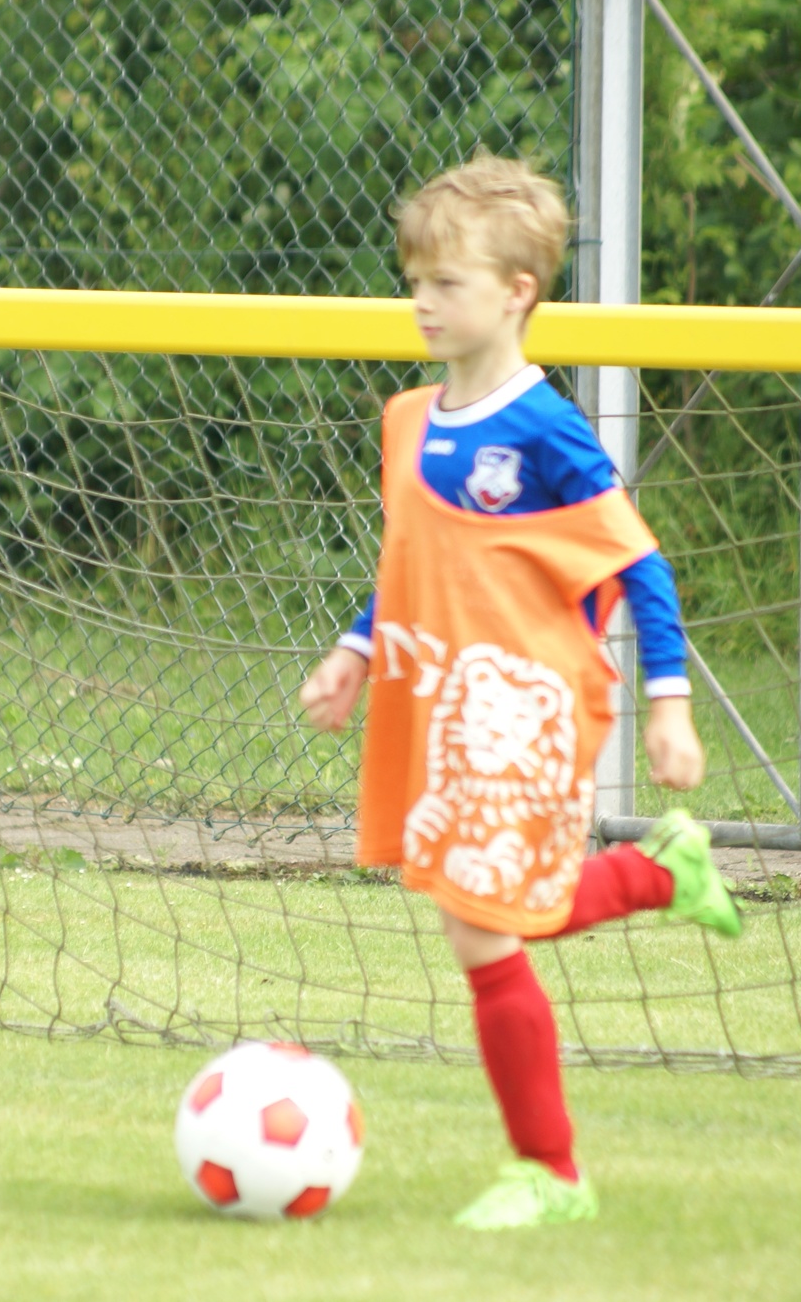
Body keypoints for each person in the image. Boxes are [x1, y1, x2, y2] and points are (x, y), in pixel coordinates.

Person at [297, 154, 742, 1231]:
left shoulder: (545, 429)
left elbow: (636, 561)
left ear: (515, 293)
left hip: (530, 708)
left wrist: (669, 704)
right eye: (414, 279)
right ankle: (655, 873)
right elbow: (417, 558)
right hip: (443, 709)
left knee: (479, 927)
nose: (420, 300)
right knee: (486, 909)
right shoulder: (411, 417)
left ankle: (550, 1172)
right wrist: (355, 651)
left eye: (445, 283)